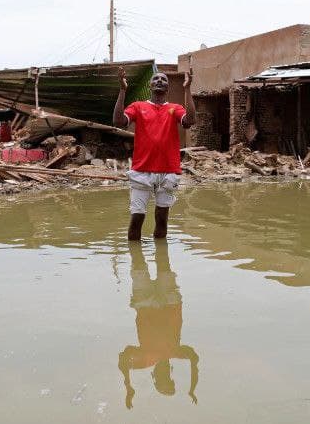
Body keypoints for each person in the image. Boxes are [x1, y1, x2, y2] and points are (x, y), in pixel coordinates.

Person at [113, 67, 196, 241]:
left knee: (162, 221)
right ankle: (137, 267)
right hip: (141, 171)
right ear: (150, 85)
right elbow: (118, 121)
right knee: (137, 219)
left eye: (163, 79)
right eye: (156, 78)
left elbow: (190, 121)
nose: (159, 80)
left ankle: (162, 266)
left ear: (168, 88)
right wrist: (122, 89)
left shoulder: (175, 108)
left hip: (168, 172)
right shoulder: (138, 106)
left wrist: (187, 89)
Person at [118, 241, 199, 409]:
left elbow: (194, 357)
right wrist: (128, 386)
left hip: (167, 303)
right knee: (140, 261)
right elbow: (123, 358)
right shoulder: (147, 359)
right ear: (155, 375)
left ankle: (147, 228)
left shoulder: (174, 353)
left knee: (162, 261)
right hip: (148, 303)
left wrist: (192, 388)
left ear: (169, 372)